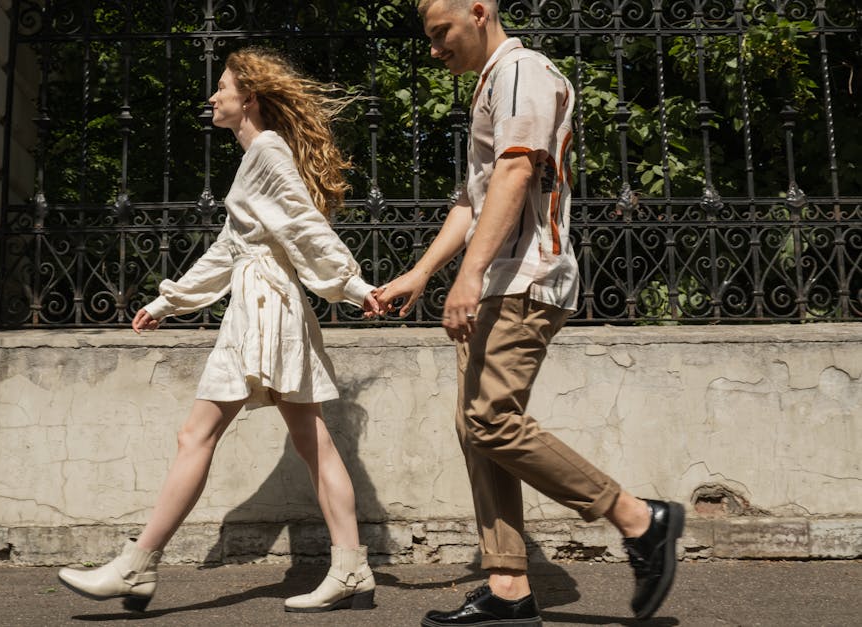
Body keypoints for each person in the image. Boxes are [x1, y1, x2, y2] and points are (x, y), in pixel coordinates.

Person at [375, 2, 684, 625]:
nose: (435, 50)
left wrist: (468, 277)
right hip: (497, 278)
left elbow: (517, 171)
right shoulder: (493, 83)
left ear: (479, 12)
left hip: (524, 275)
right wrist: (423, 271)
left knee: (491, 420)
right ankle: (508, 588)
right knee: (476, 428)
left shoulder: (522, 72)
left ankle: (638, 519)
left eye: (442, 34)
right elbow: (474, 198)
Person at [58, 47, 379, 614]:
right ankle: (350, 567)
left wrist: (353, 286)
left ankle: (136, 567)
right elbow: (232, 248)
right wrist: (170, 301)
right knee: (312, 442)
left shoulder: (268, 152)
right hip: (264, 305)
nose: (213, 97)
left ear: (248, 98)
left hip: (265, 308)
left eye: (222, 87)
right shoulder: (257, 156)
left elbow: (305, 226)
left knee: (200, 435)